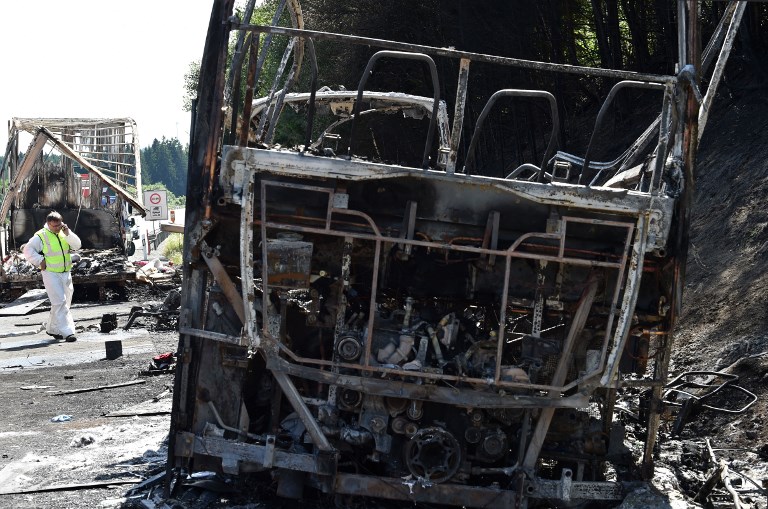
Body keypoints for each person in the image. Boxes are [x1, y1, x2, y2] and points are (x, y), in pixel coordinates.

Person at [22, 211, 82, 342]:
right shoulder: (41, 236)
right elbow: (27, 250)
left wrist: (68, 234)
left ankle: (52, 329)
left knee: (65, 302)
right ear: (48, 224)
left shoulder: (64, 232)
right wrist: (39, 261)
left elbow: (77, 245)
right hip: (50, 273)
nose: (57, 228)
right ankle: (68, 332)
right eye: (54, 226)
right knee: (59, 302)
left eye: (59, 225)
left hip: (66, 272)